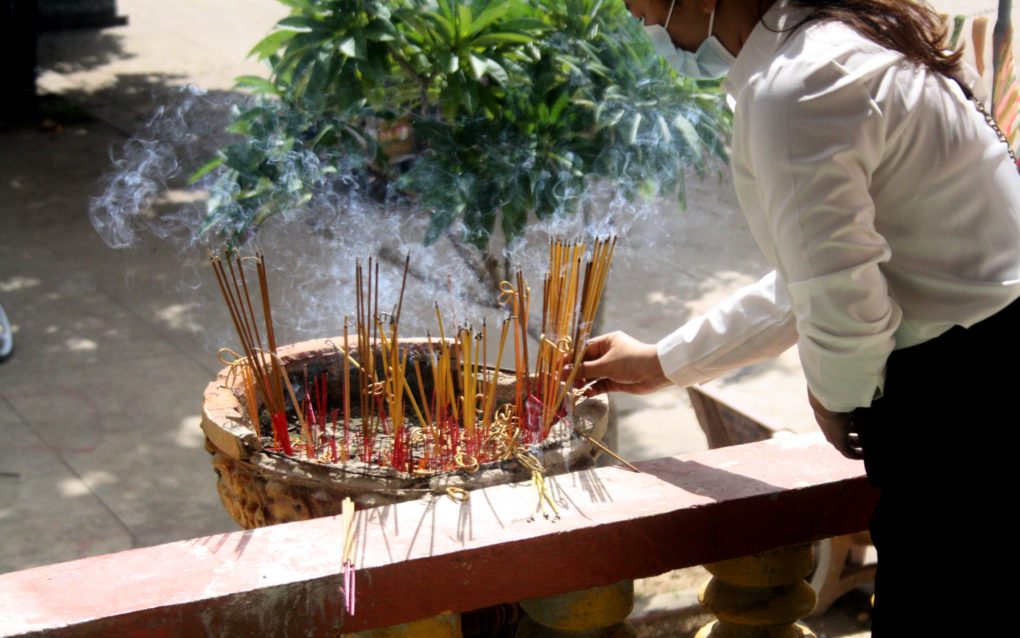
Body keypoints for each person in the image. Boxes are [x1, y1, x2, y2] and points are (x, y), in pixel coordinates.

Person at [578, 0, 1020, 633]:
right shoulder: (845, 38)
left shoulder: (798, 87)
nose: (630, 10)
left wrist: (838, 399)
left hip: (966, 402)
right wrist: (661, 362)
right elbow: (815, 273)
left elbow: (841, 305)